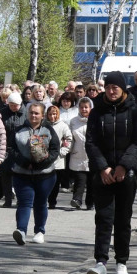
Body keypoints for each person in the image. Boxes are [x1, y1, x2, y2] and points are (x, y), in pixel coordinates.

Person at [84, 72, 137, 274]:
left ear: (122, 89)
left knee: (123, 219)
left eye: (115, 88)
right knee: (103, 218)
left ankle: (121, 262)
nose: (111, 91)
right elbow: (91, 142)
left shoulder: (135, 110)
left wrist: (122, 166)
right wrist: (103, 168)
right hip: (103, 174)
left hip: (126, 174)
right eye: (108, 87)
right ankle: (101, 262)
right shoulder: (96, 111)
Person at [8, 102, 60, 245]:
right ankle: (21, 231)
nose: (33, 115)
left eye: (37, 113)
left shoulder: (48, 131)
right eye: (31, 113)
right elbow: (11, 149)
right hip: (22, 174)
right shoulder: (19, 131)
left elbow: (55, 150)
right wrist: (24, 162)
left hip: (45, 175)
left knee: (40, 203)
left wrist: (42, 163)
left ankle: (39, 231)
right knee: (24, 203)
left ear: (42, 115)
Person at [45, 104, 73, 209]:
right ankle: (44, 200)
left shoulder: (63, 126)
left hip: (58, 160)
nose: (52, 116)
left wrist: (62, 152)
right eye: (50, 114)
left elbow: (68, 139)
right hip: (45, 158)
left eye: (54, 114)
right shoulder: (44, 125)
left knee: (55, 183)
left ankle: (52, 201)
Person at [68, 96, 93, 210]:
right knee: (80, 180)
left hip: (92, 155)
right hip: (78, 154)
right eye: (82, 107)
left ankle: (90, 203)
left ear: (90, 108)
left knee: (92, 182)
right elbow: (69, 137)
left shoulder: (95, 120)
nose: (84, 109)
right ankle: (77, 199)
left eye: (86, 107)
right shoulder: (73, 121)